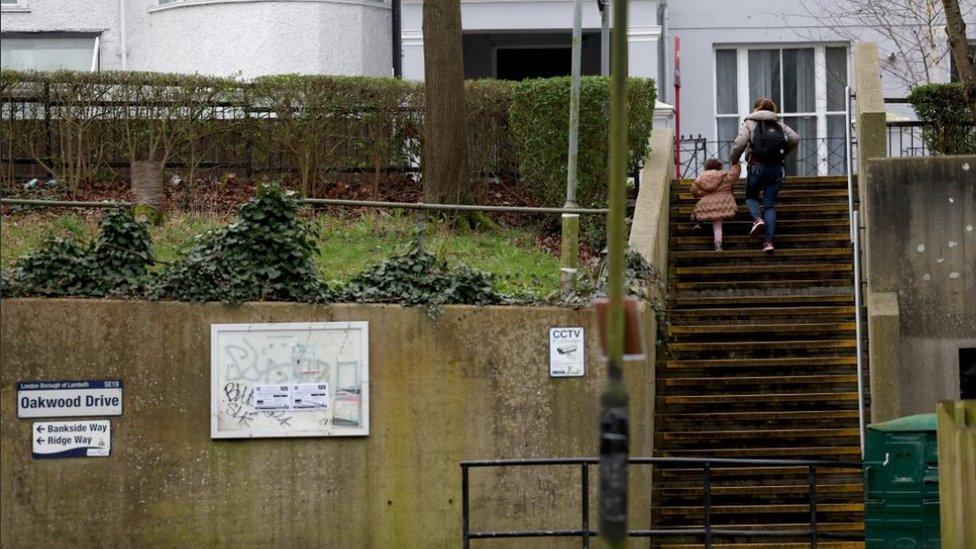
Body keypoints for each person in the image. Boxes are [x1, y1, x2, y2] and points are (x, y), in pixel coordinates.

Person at [729, 98, 800, 252]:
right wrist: (783, 153)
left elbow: (740, 143)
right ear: (772, 109)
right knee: (769, 205)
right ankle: (768, 242)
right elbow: (795, 138)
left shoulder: (750, 123)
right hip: (775, 168)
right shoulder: (778, 124)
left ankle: (757, 219)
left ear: (756, 109)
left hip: (756, 166)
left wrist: (733, 159)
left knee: (751, 196)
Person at [690, 159, 741, 251]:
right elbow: (735, 174)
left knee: (696, 209)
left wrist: (700, 194)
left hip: (705, 203)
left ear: (706, 167)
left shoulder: (701, 178)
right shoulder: (725, 176)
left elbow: (694, 191)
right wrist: (735, 161)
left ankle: (697, 222)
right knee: (718, 225)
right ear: (719, 166)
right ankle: (718, 246)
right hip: (724, 202)